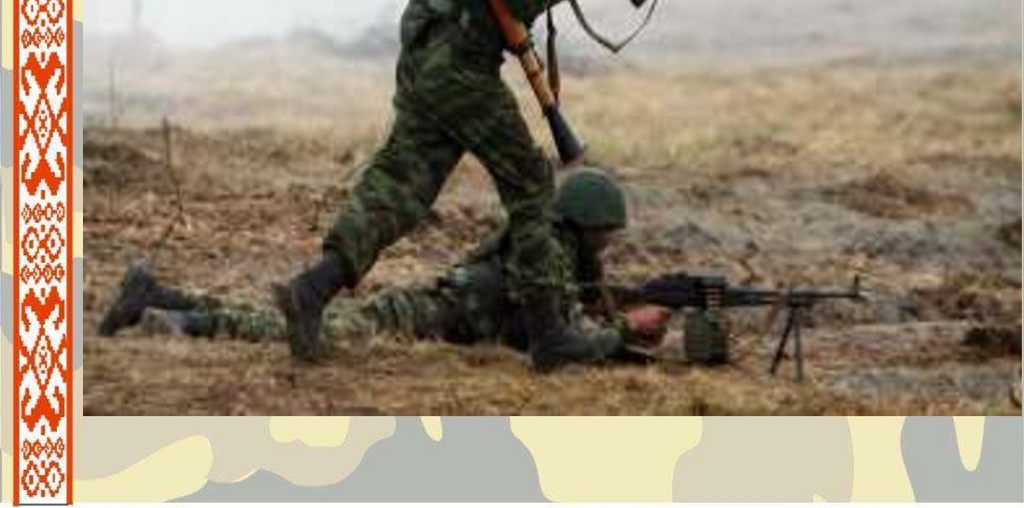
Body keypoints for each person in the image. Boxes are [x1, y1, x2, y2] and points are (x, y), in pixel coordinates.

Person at [274, 0, 620, 368]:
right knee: (531, 181)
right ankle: (549, 334)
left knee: (400, 187)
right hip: (458, 65)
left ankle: (311, 291)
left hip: (430, 59)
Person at [99, 169, 671, 364]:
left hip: (430, 315)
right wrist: (625, 330)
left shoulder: (554, 249)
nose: (607, 245)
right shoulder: (545, 251)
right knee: (296, 330)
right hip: (418, 318)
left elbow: (559, 315)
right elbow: (554, 345)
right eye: (605, 234)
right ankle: (183, 320)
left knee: (286, 320)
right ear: (584, 225)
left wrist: (616, 313)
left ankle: (161, 296)